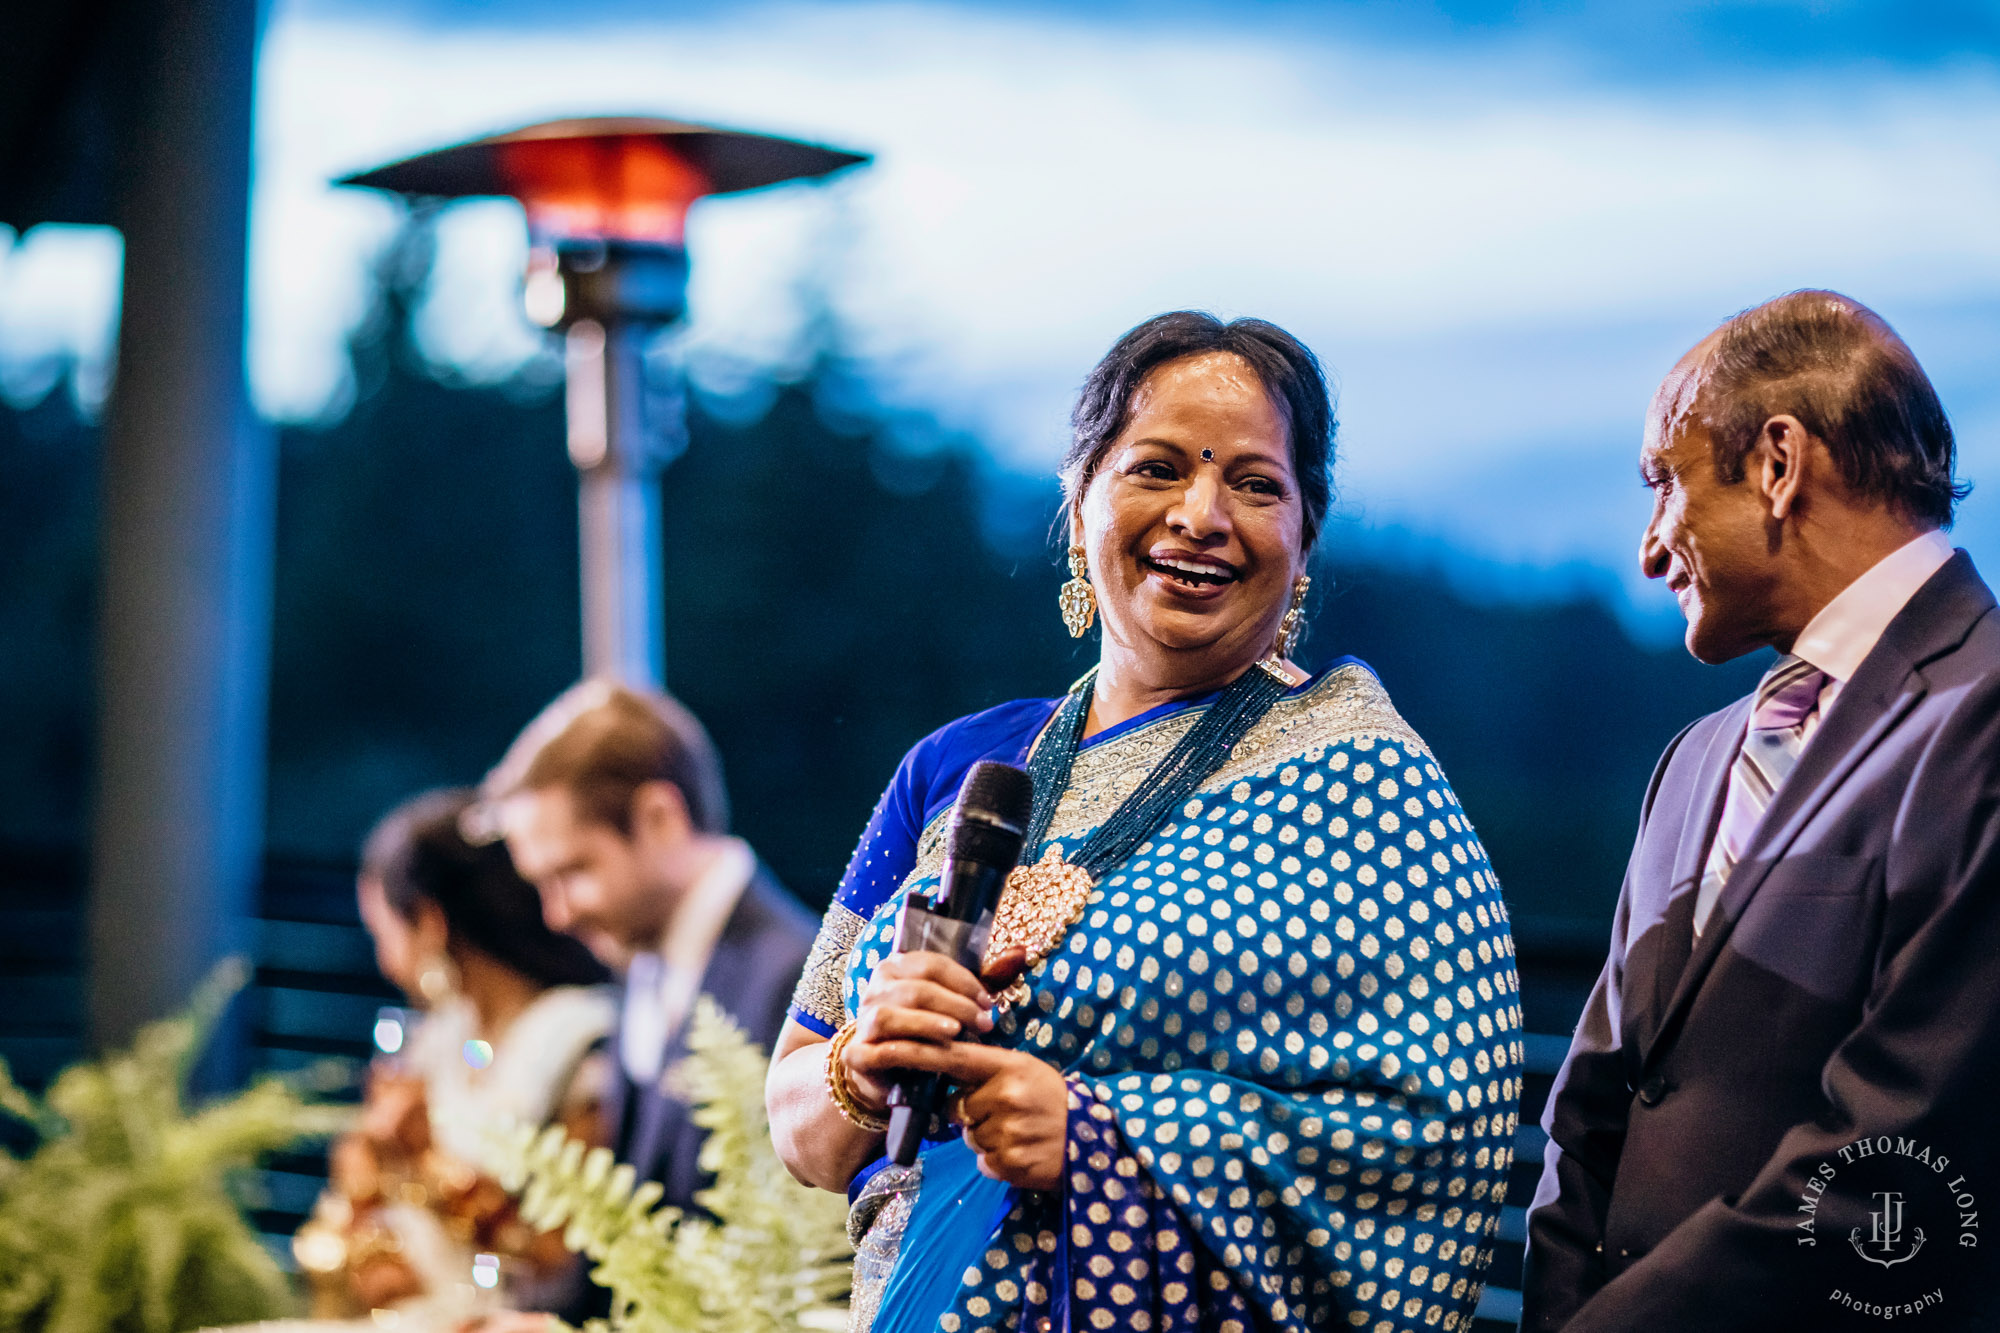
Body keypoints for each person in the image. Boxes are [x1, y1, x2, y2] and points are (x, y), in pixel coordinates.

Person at [766, 312, 1523, 1333]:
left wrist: (1104, 1137)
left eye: (1254, 484)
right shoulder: (956, 769)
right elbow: (799, 1123)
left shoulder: (1361, 782)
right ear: (1080, 504)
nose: (1201, 514)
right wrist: (860, 1063)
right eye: (1156, 468)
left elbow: (1436, 1136)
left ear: (1303, 538)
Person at [1522, 291, 2000, 1330]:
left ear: (1777, 463)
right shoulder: (1687, 765)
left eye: (1663, 483)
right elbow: (1590, 1115)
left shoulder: (1983, 714)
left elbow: (1907, 1146)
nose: (1650, 550)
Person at [483, 679, 815, 1215]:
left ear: (660, 817)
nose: (556, 914)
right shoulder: (644, 959)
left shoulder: (797, 981)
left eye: (572, 871)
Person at [294, 787, 616, 1317]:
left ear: (429, 921)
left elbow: (563, 1259)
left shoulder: (583, 1045)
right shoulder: (442, 1037)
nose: (383, 963)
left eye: (384, 934)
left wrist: (426, 1161)